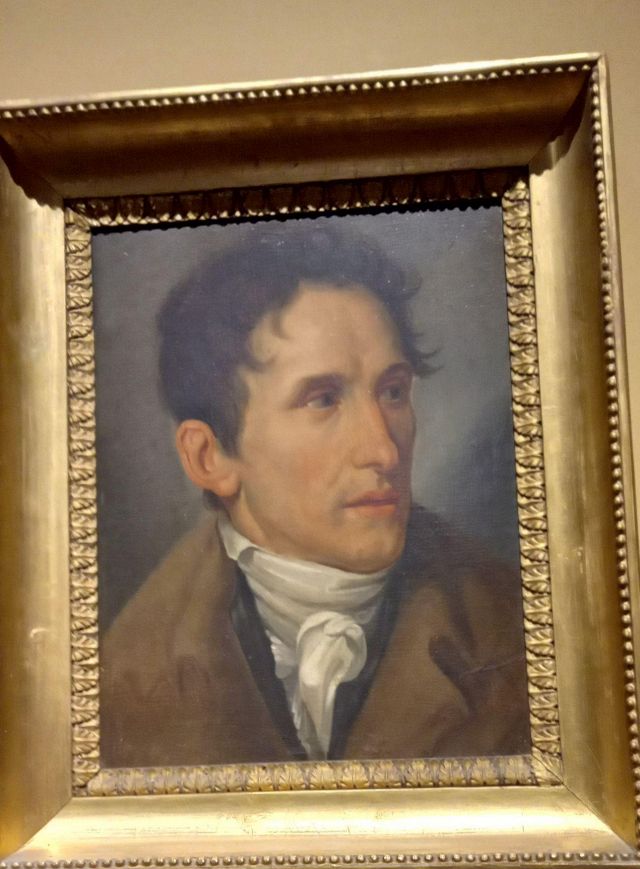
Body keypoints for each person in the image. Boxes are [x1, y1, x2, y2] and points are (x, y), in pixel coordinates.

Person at [100, 223, 530, 768]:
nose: (383, 450)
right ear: (209, 458)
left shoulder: (518, 633)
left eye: (393, 391)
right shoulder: (124, 681)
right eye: (323, 400)